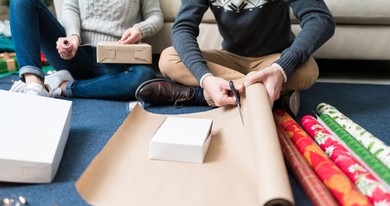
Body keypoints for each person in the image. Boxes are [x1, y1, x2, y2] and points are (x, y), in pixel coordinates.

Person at [135, 0, 335, 116]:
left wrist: (281, 68)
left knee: (308, 69)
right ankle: (270, 95)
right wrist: (206, 77)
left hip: (275, 59)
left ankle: (199, 96)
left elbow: (320, 18)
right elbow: (183, 28)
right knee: (169, 58)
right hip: (230, 57)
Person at [9, 0, 163, 100]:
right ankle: (34, 85)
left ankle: (64, 87)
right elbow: (70, 8)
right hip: (77, 55)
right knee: (23, 2)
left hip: (117, 61)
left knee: (145, 76)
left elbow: (155, 16)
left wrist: (139, 29)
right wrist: (73, 37)